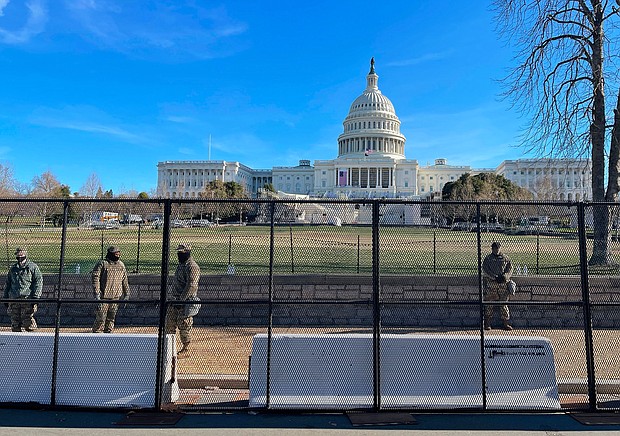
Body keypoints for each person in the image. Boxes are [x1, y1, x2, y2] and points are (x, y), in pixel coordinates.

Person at [166, 244, 200, 356]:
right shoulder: (181, 265)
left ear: (188, 252)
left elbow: (192, 285)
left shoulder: (192, 267)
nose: (179, 255)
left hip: (185, 302)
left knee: (184, 327)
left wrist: (182, 300)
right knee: (169, 325)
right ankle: (168, 348)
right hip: (174, 300)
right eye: (178, 252)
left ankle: (185, 349)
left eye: (182, 252)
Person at [3, 247, 43, 332]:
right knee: (15, 323)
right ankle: (17, 342)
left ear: (25, 255)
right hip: (14, 298)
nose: (20, 258)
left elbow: (38, 282)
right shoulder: (13, 269)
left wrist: (36, 297)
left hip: (27, 298)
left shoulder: (32, 267)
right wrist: (5, 297)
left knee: (28, 322)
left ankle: (33, 340)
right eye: (18, 256)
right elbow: (8, 284)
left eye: (22, 256)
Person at [92, 246, 130, 333]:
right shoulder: (102, 264)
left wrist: (127, 294)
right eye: (116, 254)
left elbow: (125, 280)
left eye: (119, 254)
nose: (118, 255)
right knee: (101, 318)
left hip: (116, 297)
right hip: (103, 297)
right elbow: (95, 278)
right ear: (111, 254)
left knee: (111, 319)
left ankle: (108, 334)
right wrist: (97, 294)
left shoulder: (121, 265)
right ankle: (96, 334)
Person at [482, 241, 514, 331]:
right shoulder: (488, 259)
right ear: (492, 249)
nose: (496, 250)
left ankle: (506, 323)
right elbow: (485, 269)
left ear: (500, 248)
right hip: (492, 284)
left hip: (502, 285)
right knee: (489, 303)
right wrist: (494, 277)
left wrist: (505, 277)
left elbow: (510, 269)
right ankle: (487, 323)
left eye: (497, 248)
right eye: (494, 248)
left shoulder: (505, 258)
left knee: (503, 303)